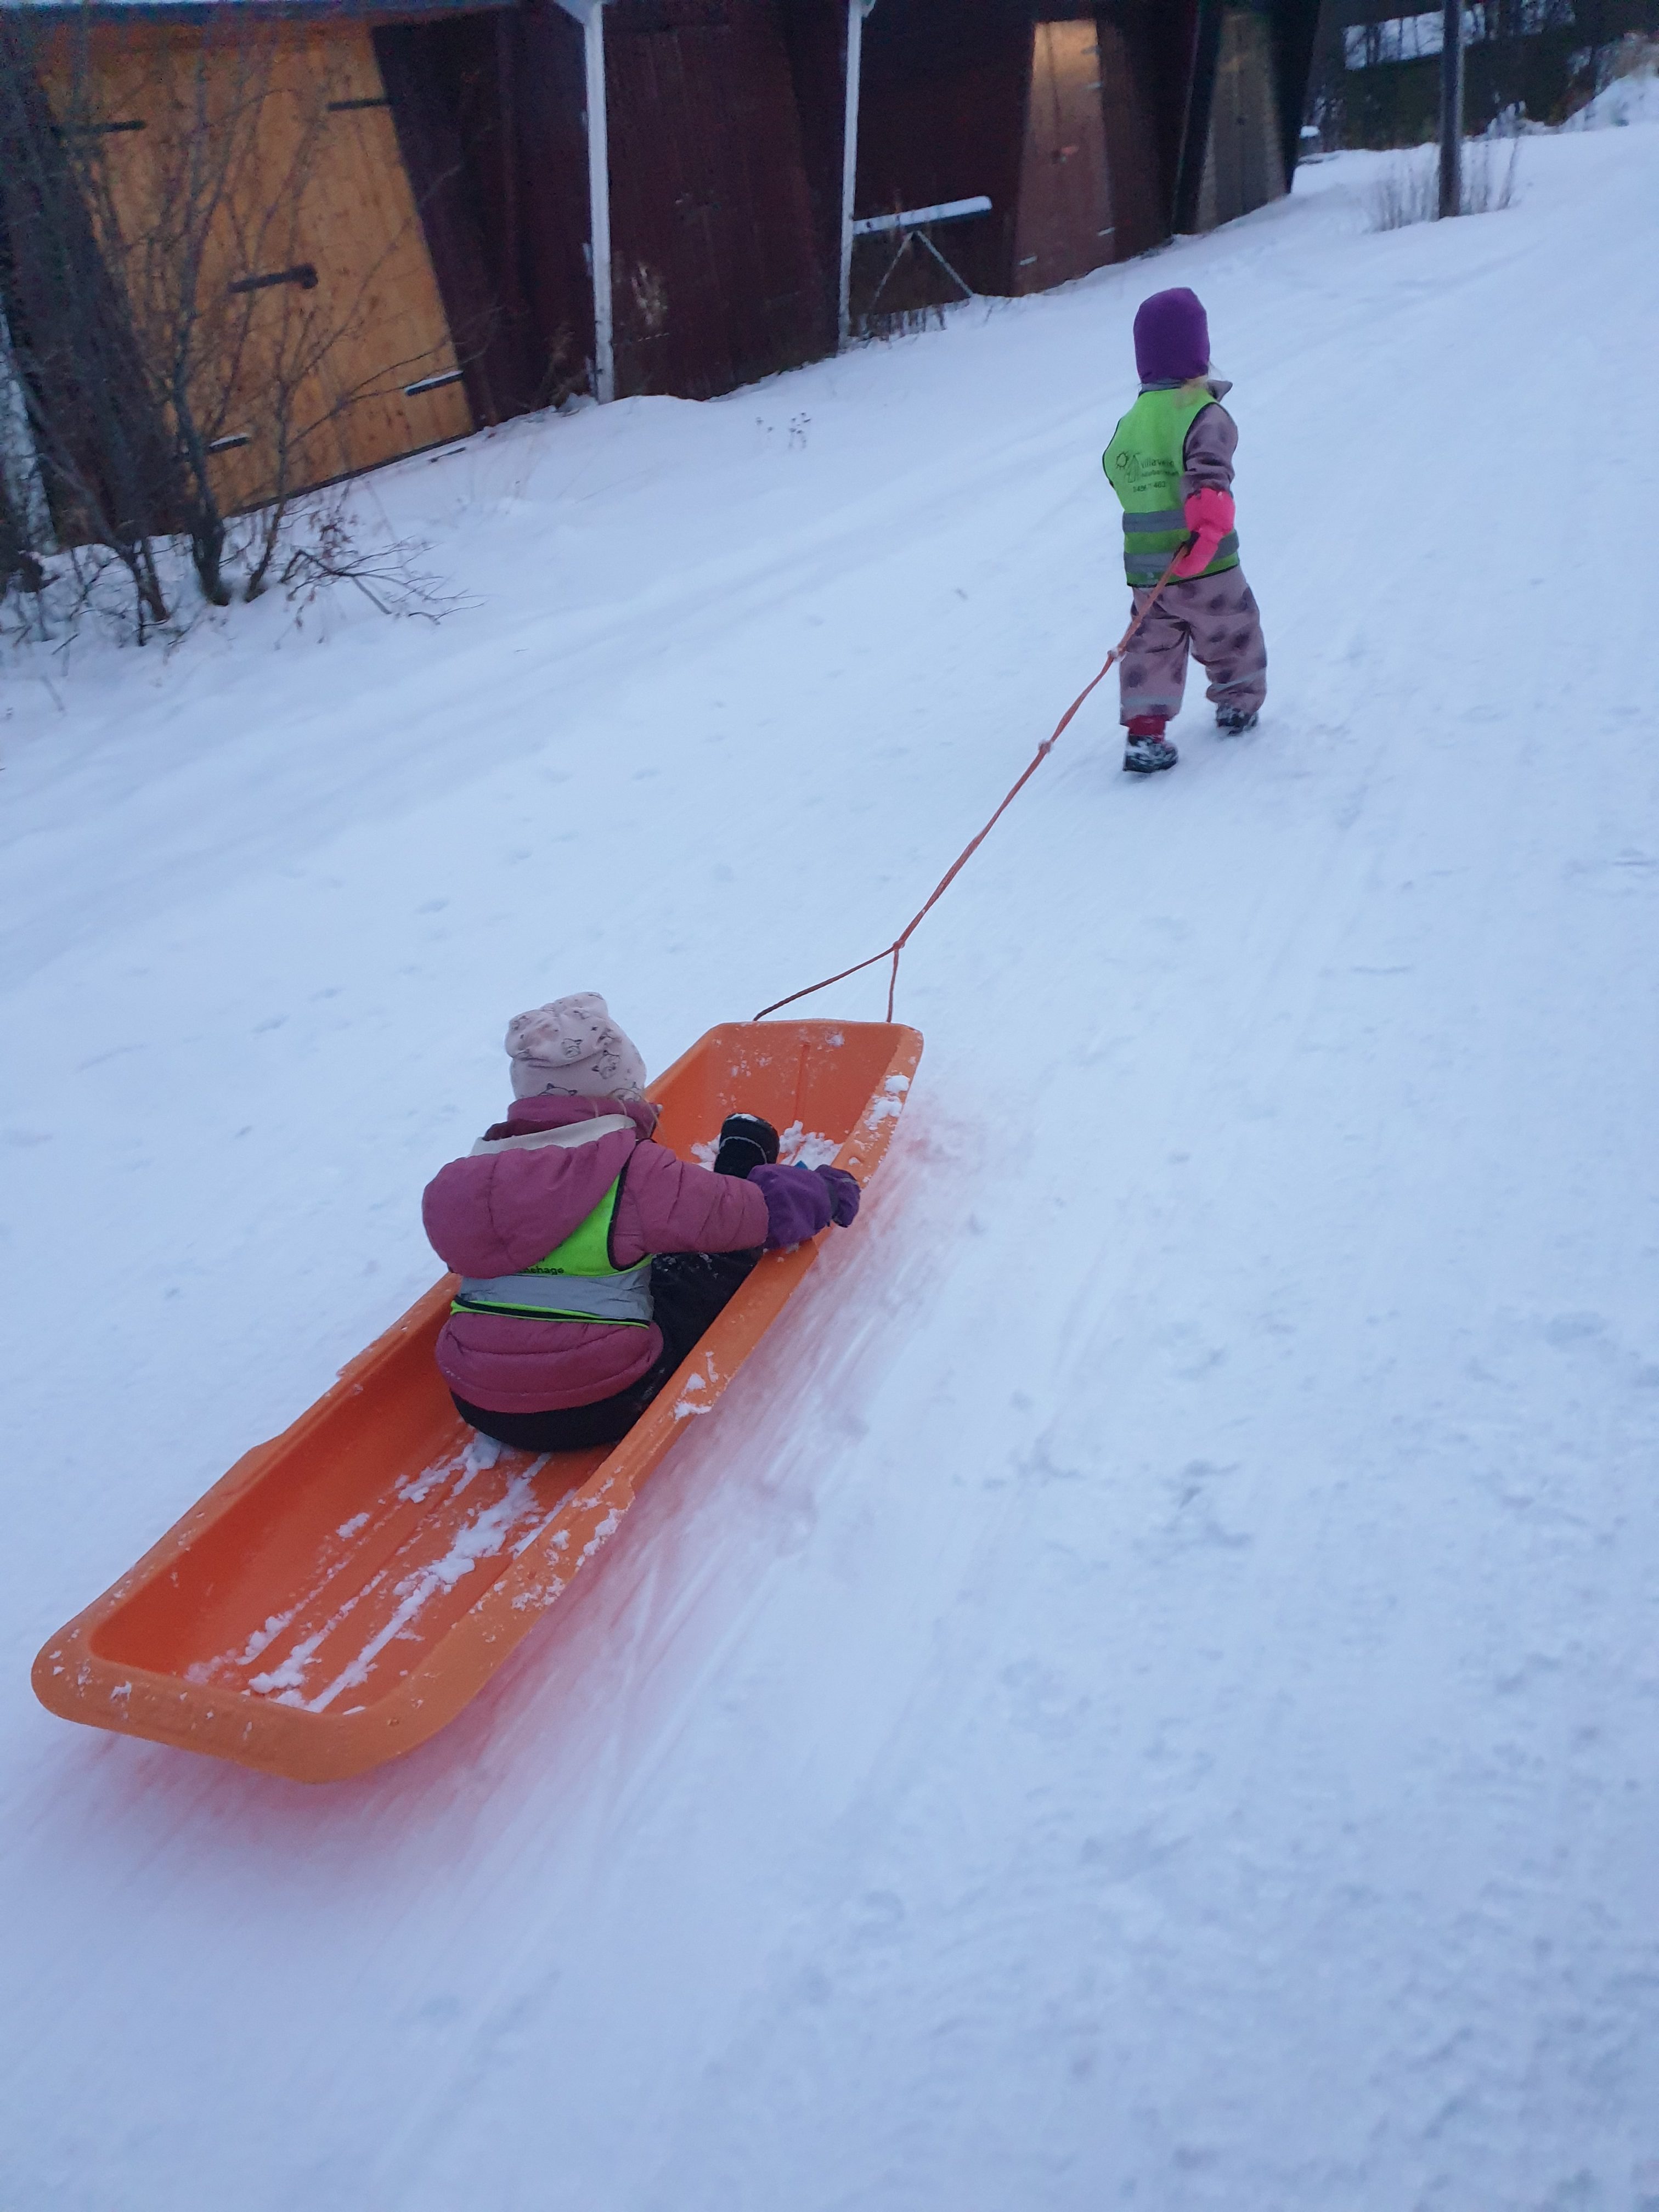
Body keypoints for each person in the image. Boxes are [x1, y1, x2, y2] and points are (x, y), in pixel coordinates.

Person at [422, 992, 860, 1453]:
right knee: (708, 1257)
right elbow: (756, 1215)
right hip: (605, 1402)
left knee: (612, 1249)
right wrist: (826, 1192)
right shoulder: (632, 1170)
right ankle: (747, 1147)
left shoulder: (455, 1181)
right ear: (620, 1096)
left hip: (477, 1403)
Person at [1103, 286, 1268, 775]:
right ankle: (1237, 703)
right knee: (1233, 629)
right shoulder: (1202, 411)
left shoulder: (1131, 421)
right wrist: (1205, 536)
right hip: (1208, 561)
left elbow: (1116, 469)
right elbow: (1210, 481)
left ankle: (1144, 736)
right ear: (1199, 351)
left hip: (1149, 571)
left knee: (1150, 647)